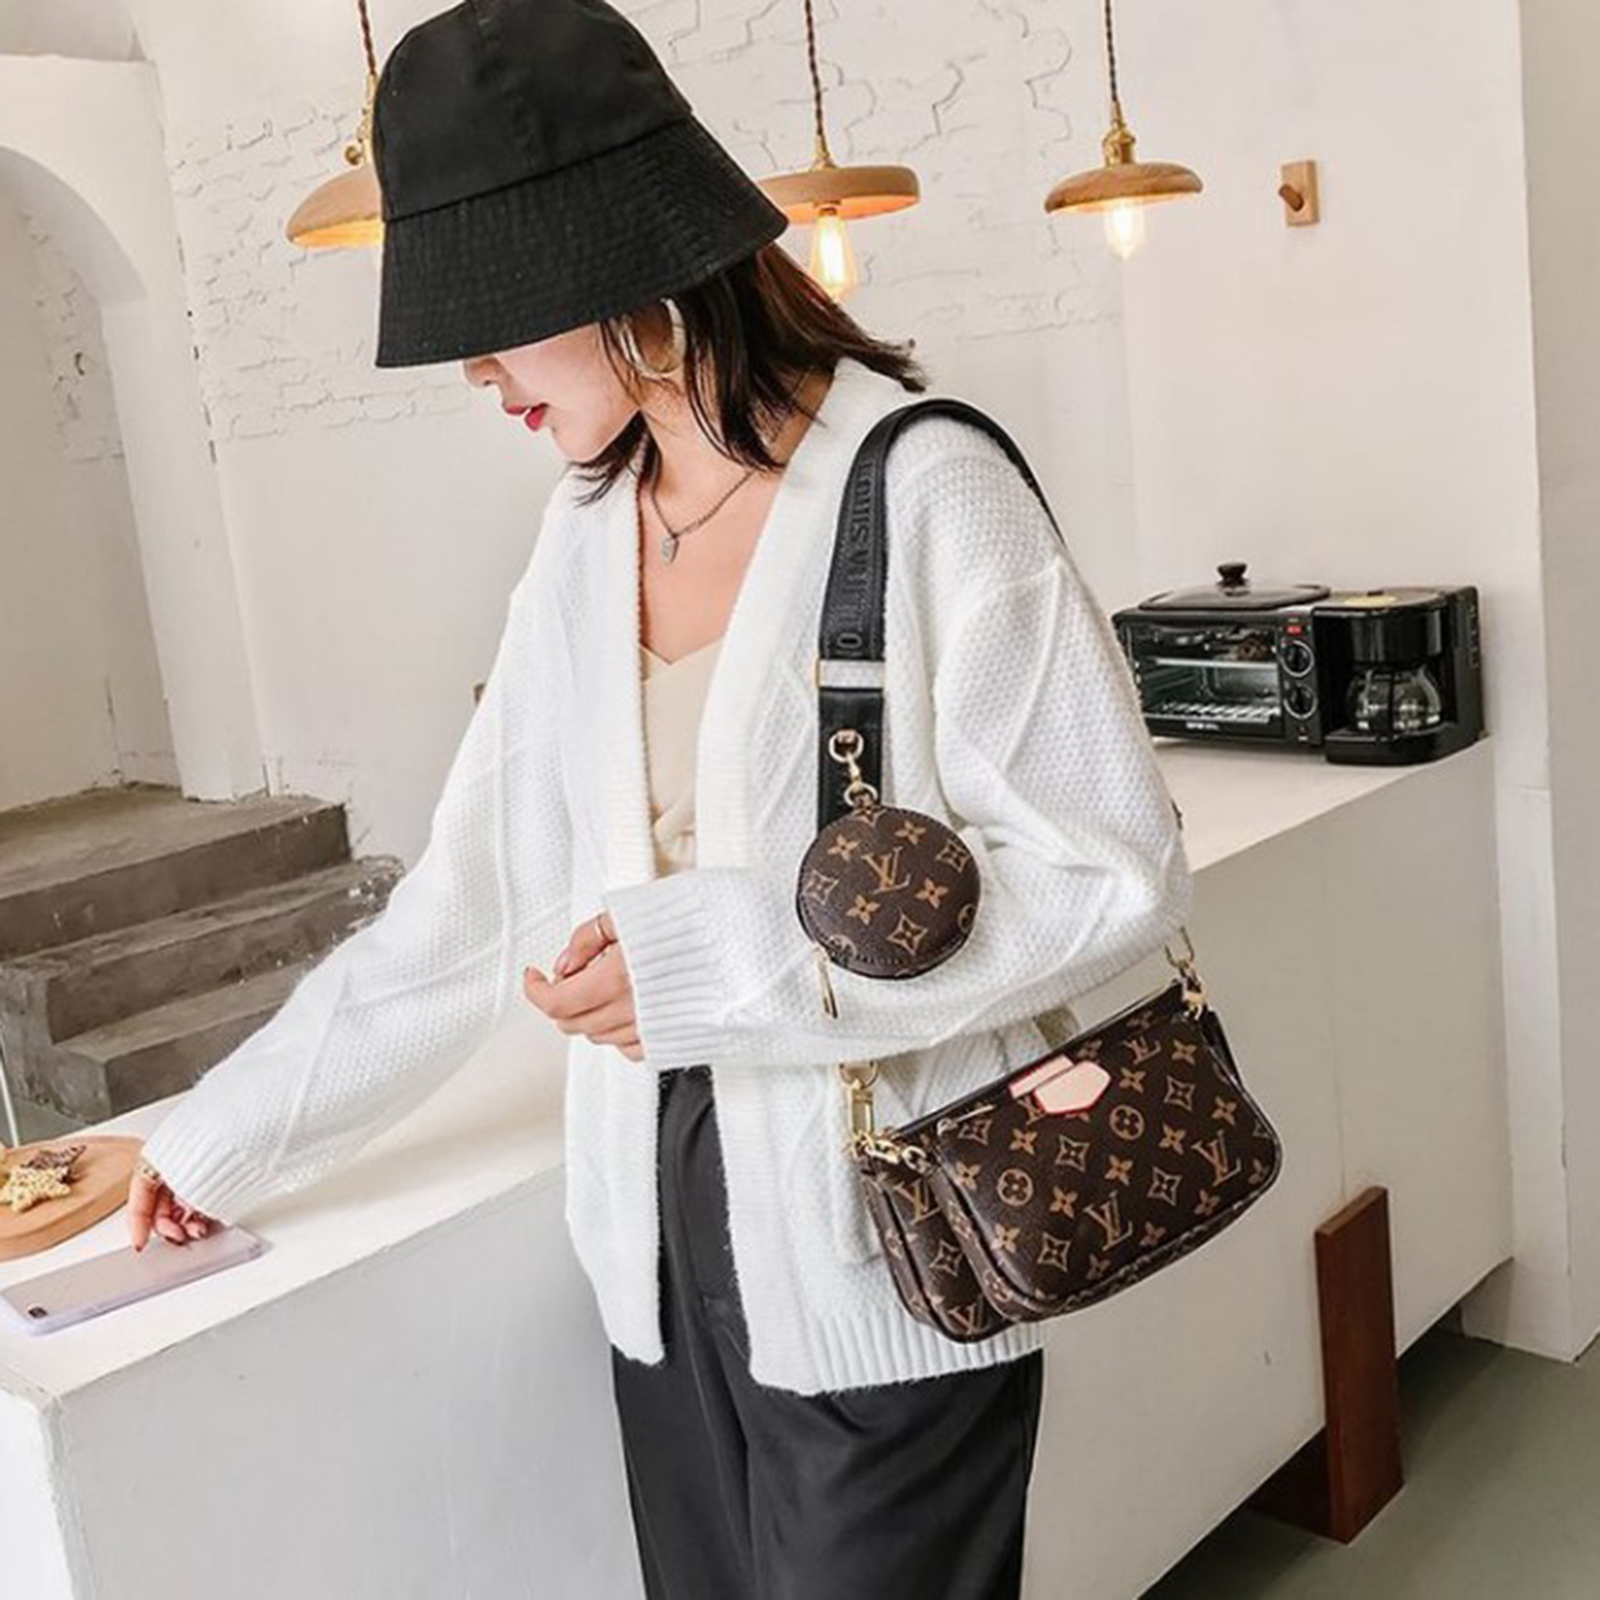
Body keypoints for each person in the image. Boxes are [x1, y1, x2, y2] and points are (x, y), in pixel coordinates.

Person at [128, 0, 1193, 1594]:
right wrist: (220, 1139)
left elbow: (1110, 871)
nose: (477, 369)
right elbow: (469, 899)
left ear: (625, 274)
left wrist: (715, 958)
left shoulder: (928, 487)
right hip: (658, 1249)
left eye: (497, 317)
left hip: (894, 1251)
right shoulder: (588, 532)